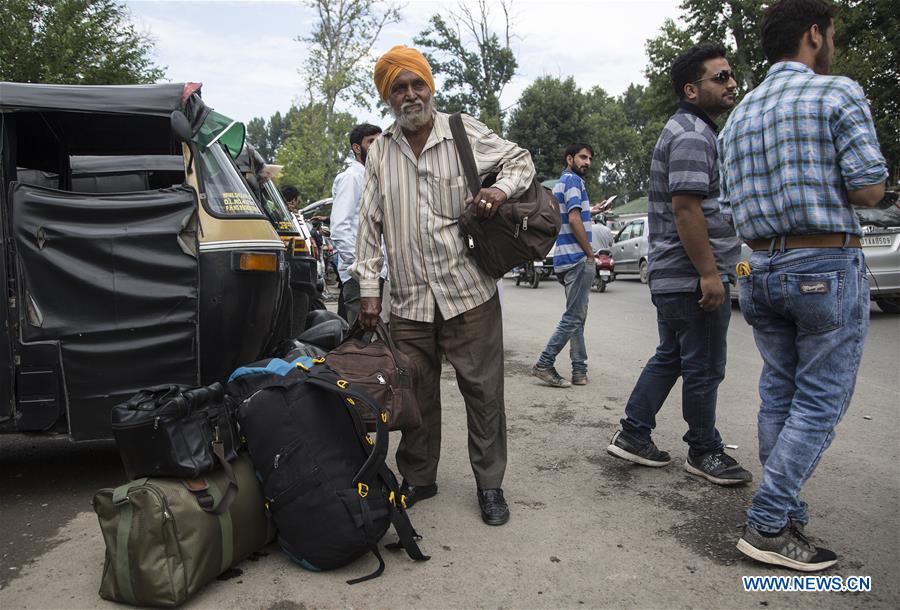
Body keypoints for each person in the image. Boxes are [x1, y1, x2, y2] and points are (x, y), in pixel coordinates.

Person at [718, 0, 887, 571]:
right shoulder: (835, 92)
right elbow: (868, 191)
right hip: (822, 262)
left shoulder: (738, 115)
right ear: (814, 34)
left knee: (780, 393)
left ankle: (785, 515)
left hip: (757, 268)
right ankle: (769, 524)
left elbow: (728, 203)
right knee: (818, 400)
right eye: (831, 32)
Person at [351, 45, 536, 526]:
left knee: (483, 392)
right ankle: (420, 476)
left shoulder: (461, 130)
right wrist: (369, 288)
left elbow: (520, 161)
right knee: (413, 394)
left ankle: (490, 484)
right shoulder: (380, 153)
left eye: (418, 84)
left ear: (429, 87)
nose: (411, 94)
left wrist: (498, 190)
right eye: (399, 88)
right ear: (388, 97)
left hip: (467, 290)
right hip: (409, 300)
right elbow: (370, 225)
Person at [606, 43, 753, 488]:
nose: (731, 84)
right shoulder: (692, 133)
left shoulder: (689, 129)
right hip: (690, 275)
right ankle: (705, 450)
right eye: (720, 77)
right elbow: (687, 208)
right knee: (704, 365)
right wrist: (710, 273)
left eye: (731, 75)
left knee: (672, 356)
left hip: (675, 275)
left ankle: (634, 434)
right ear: (692, 89)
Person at [532, 144, 595, 387]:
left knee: (576, 316)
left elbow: (571, 215)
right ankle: (544, 363)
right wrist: (589, 254)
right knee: (574, 317)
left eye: (589, 158)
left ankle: (579, 370)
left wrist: (595, 209)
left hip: (564, 257)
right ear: (570, 158)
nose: (586, 162)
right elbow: (574, 218)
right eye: (582, 157)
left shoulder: (561, 182)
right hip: (577, 257)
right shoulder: (573, 181)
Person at [330, 123, 383, 325]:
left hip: (377, 272)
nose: (377, 146)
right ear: (357, 147)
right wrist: (360, 266)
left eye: (380, 141)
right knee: (363, 340)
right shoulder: (351, 178)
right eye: (371, 142)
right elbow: (340, 229)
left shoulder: (374, 177)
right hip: (360, 277)